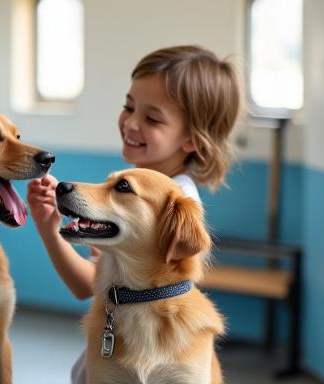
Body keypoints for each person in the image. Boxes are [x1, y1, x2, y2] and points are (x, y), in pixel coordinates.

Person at [26, 45, 242, 383]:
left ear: (191, 139)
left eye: (152, 118)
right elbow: (90, 285)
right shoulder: (136, 188)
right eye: (129, 107)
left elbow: (90, 285)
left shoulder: (178, 201)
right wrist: (49, 227)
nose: (130, 123)